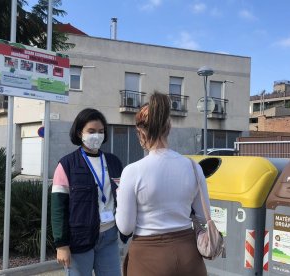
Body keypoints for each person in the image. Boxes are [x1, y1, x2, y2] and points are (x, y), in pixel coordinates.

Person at [116, 92, 210, 276]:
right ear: (169, 126)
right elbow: (203, 215)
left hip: (147, 258)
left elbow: (125, 227)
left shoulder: (132, 171)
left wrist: (120, 196)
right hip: (188, 255)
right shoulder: (192, 167)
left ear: (141, 131)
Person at [51, 108, 124, 276]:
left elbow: (122, 196)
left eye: (100, 132)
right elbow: (58, 208)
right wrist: (61, 245)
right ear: (79, 133)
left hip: (109, 236)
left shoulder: (114, 162)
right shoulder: (66, 165)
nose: (96, 136)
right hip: (79, 239)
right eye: (91, 131)